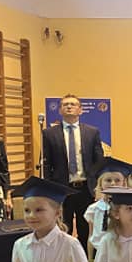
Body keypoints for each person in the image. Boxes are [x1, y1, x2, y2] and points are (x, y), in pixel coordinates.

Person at [41, 94, 104, 250]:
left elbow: (99, 162)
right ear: (60, 110)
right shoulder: (49, 134)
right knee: (64, 226)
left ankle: (82, 258)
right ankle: (64, 259)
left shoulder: (92, 132)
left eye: (73, 104)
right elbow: (46, 163)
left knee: (84, 228)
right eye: (65, 104)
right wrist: (49, 190)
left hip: (85, 188)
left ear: (80, 110)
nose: (69, 107)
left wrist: (99, 187)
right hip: (62, 188)